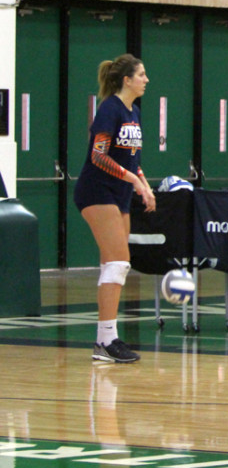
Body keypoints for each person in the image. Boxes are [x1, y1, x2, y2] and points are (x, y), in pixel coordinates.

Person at [74, 54, 156, 364]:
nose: (146, 80)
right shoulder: (109, 110)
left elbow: (131, 158)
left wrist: (144, 185)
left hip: (119, 192)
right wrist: (133, 179)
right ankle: (106, 340)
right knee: (118, 262)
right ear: (127, 80)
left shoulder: (133, 112)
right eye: (142, 74)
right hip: (97, 190)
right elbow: (98, 155)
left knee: (116, 264)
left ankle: (106, 338)